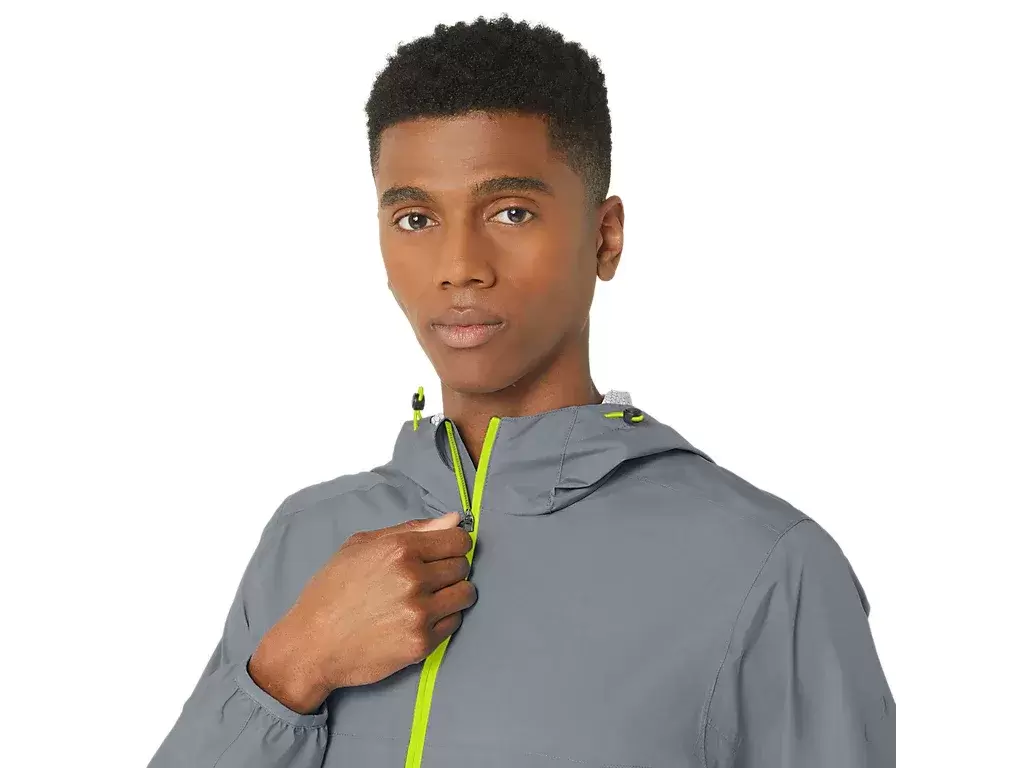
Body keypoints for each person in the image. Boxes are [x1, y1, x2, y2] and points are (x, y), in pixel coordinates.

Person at [148, 14, 895, 768]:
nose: (459, 266)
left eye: (511, 212)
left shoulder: (767, 566)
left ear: (605, 237)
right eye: (415, 218)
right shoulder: (307, 538)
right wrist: (292, 668)